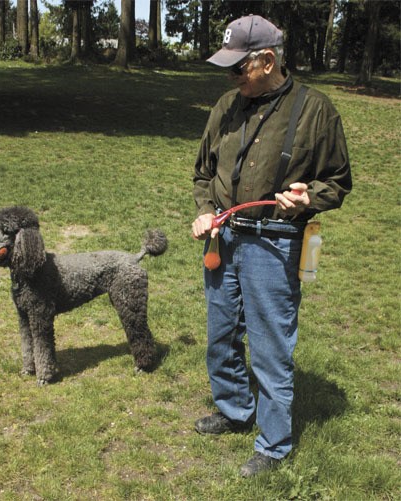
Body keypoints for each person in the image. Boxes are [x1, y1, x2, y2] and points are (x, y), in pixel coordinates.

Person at [191, 14, 352, 478]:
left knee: (268, 346)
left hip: (276, 243)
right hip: (223, 237)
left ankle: (274, 443)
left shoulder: (315, 111)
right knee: (221, 335)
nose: (231, 77)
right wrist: (206, 210)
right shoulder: (226, 105)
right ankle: (235, 409)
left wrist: (308, 199)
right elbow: (203, 172)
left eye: (238, 67)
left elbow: (338, 182)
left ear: (266, 60)